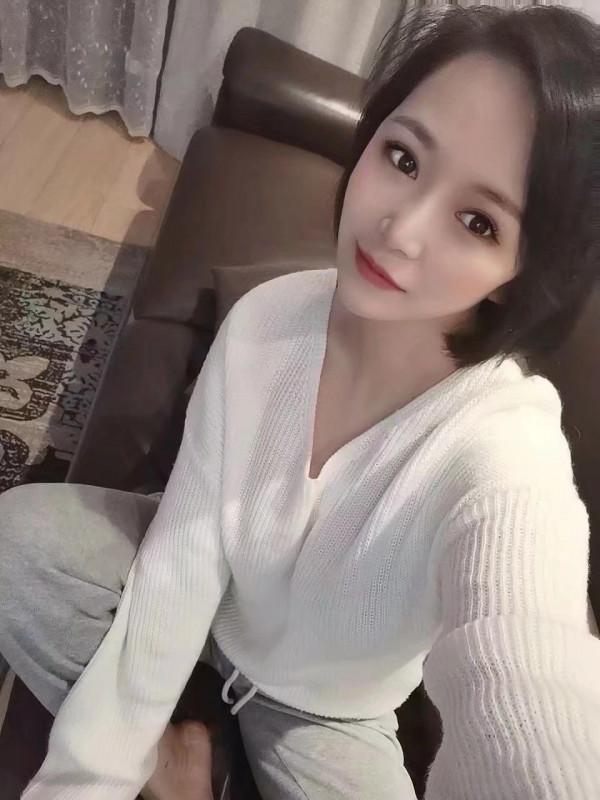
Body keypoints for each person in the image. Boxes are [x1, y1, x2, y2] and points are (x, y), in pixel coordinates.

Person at [1, 3, 599, 799]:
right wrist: (94, 772)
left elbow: (532, 671)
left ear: (523, 271)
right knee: (20, 545)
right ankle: (174, 758)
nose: (401, 228)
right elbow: (183, 560)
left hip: (330, 716)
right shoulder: (265, 322)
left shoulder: (506, 447)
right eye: (404, 157)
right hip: (210, 607)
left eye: (478, 222)